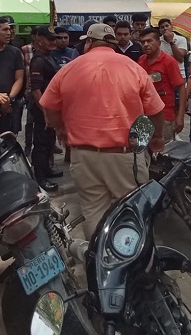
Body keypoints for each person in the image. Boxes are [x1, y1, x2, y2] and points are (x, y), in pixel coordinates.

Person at [40, 23, 165, 239]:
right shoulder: (132, 67)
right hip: (124, 155)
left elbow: (49, 106)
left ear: (88, 42)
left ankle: (98, 263)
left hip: (83, 155)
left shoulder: (69, 68)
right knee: (132, 211)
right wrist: (157, 136)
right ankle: (133, 263)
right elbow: (155, 111)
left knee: (93, 211)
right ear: (114, 43)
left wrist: (60, 128)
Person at [29, 28, 63, 191]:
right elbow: (36, 89)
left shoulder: (48, 57)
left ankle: (47, 170)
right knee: (41, 143)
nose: (52, 42)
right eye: (49, 39)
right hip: (42, 109)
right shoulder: (38, 60)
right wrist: (44, 112)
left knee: (49, 141)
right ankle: (40, 177)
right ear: (39, 40)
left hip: (51, 108)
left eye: (54, 39)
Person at [138, 27, 185, 142]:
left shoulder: (169, 61)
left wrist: (180, 117)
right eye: (143, 42)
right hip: (144, 115)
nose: (146, 44)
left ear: (158, 43)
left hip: (165, 116)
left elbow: (181, 88)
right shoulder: (141, 60)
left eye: (149, 41)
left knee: (164, 151)